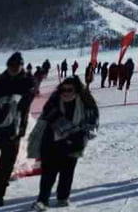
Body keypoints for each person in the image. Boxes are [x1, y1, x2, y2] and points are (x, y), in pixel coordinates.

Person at [27, 76, 98, 211]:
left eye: (69, 89)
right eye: (63, 89)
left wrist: (79, 134)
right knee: (48, 173)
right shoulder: (54, 100)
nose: (65, 92)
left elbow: (92, 122)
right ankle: (42, 200)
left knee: (67, 172)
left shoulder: (86, 102)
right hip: (51, 141)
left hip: (74, 143)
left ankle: (63, 198)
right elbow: (48, 114)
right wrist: (65, 127)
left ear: (76, 90)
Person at [0, 52, 36, 207]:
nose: (13, 68)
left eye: (17, 65)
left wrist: (11, 103)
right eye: (11, 65)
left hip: (14, 129)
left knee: (6, 164)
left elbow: (27, 101)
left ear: (22, 66)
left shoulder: (28, 81)